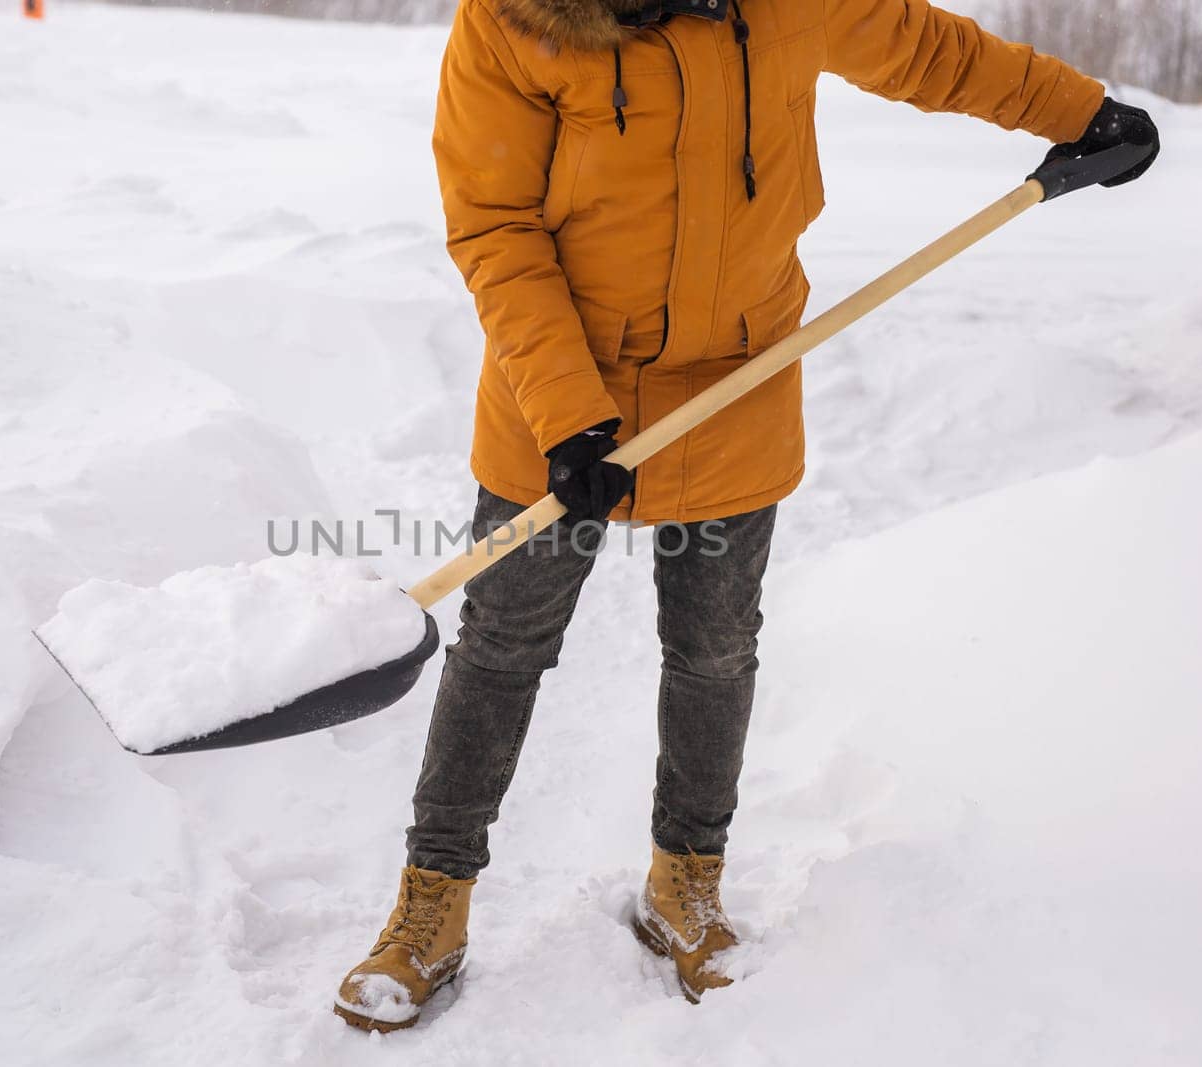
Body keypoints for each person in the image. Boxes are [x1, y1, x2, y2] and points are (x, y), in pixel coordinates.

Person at [333, 0, 1158, 1031]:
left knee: (715, 648)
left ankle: (686, 880)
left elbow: (923, 48)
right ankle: (432, 903)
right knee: (500, 644)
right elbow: (495, 224)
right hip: (562, 391)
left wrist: (1076, 109)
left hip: (741, 376)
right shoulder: (516, 21)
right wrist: (569, 415)